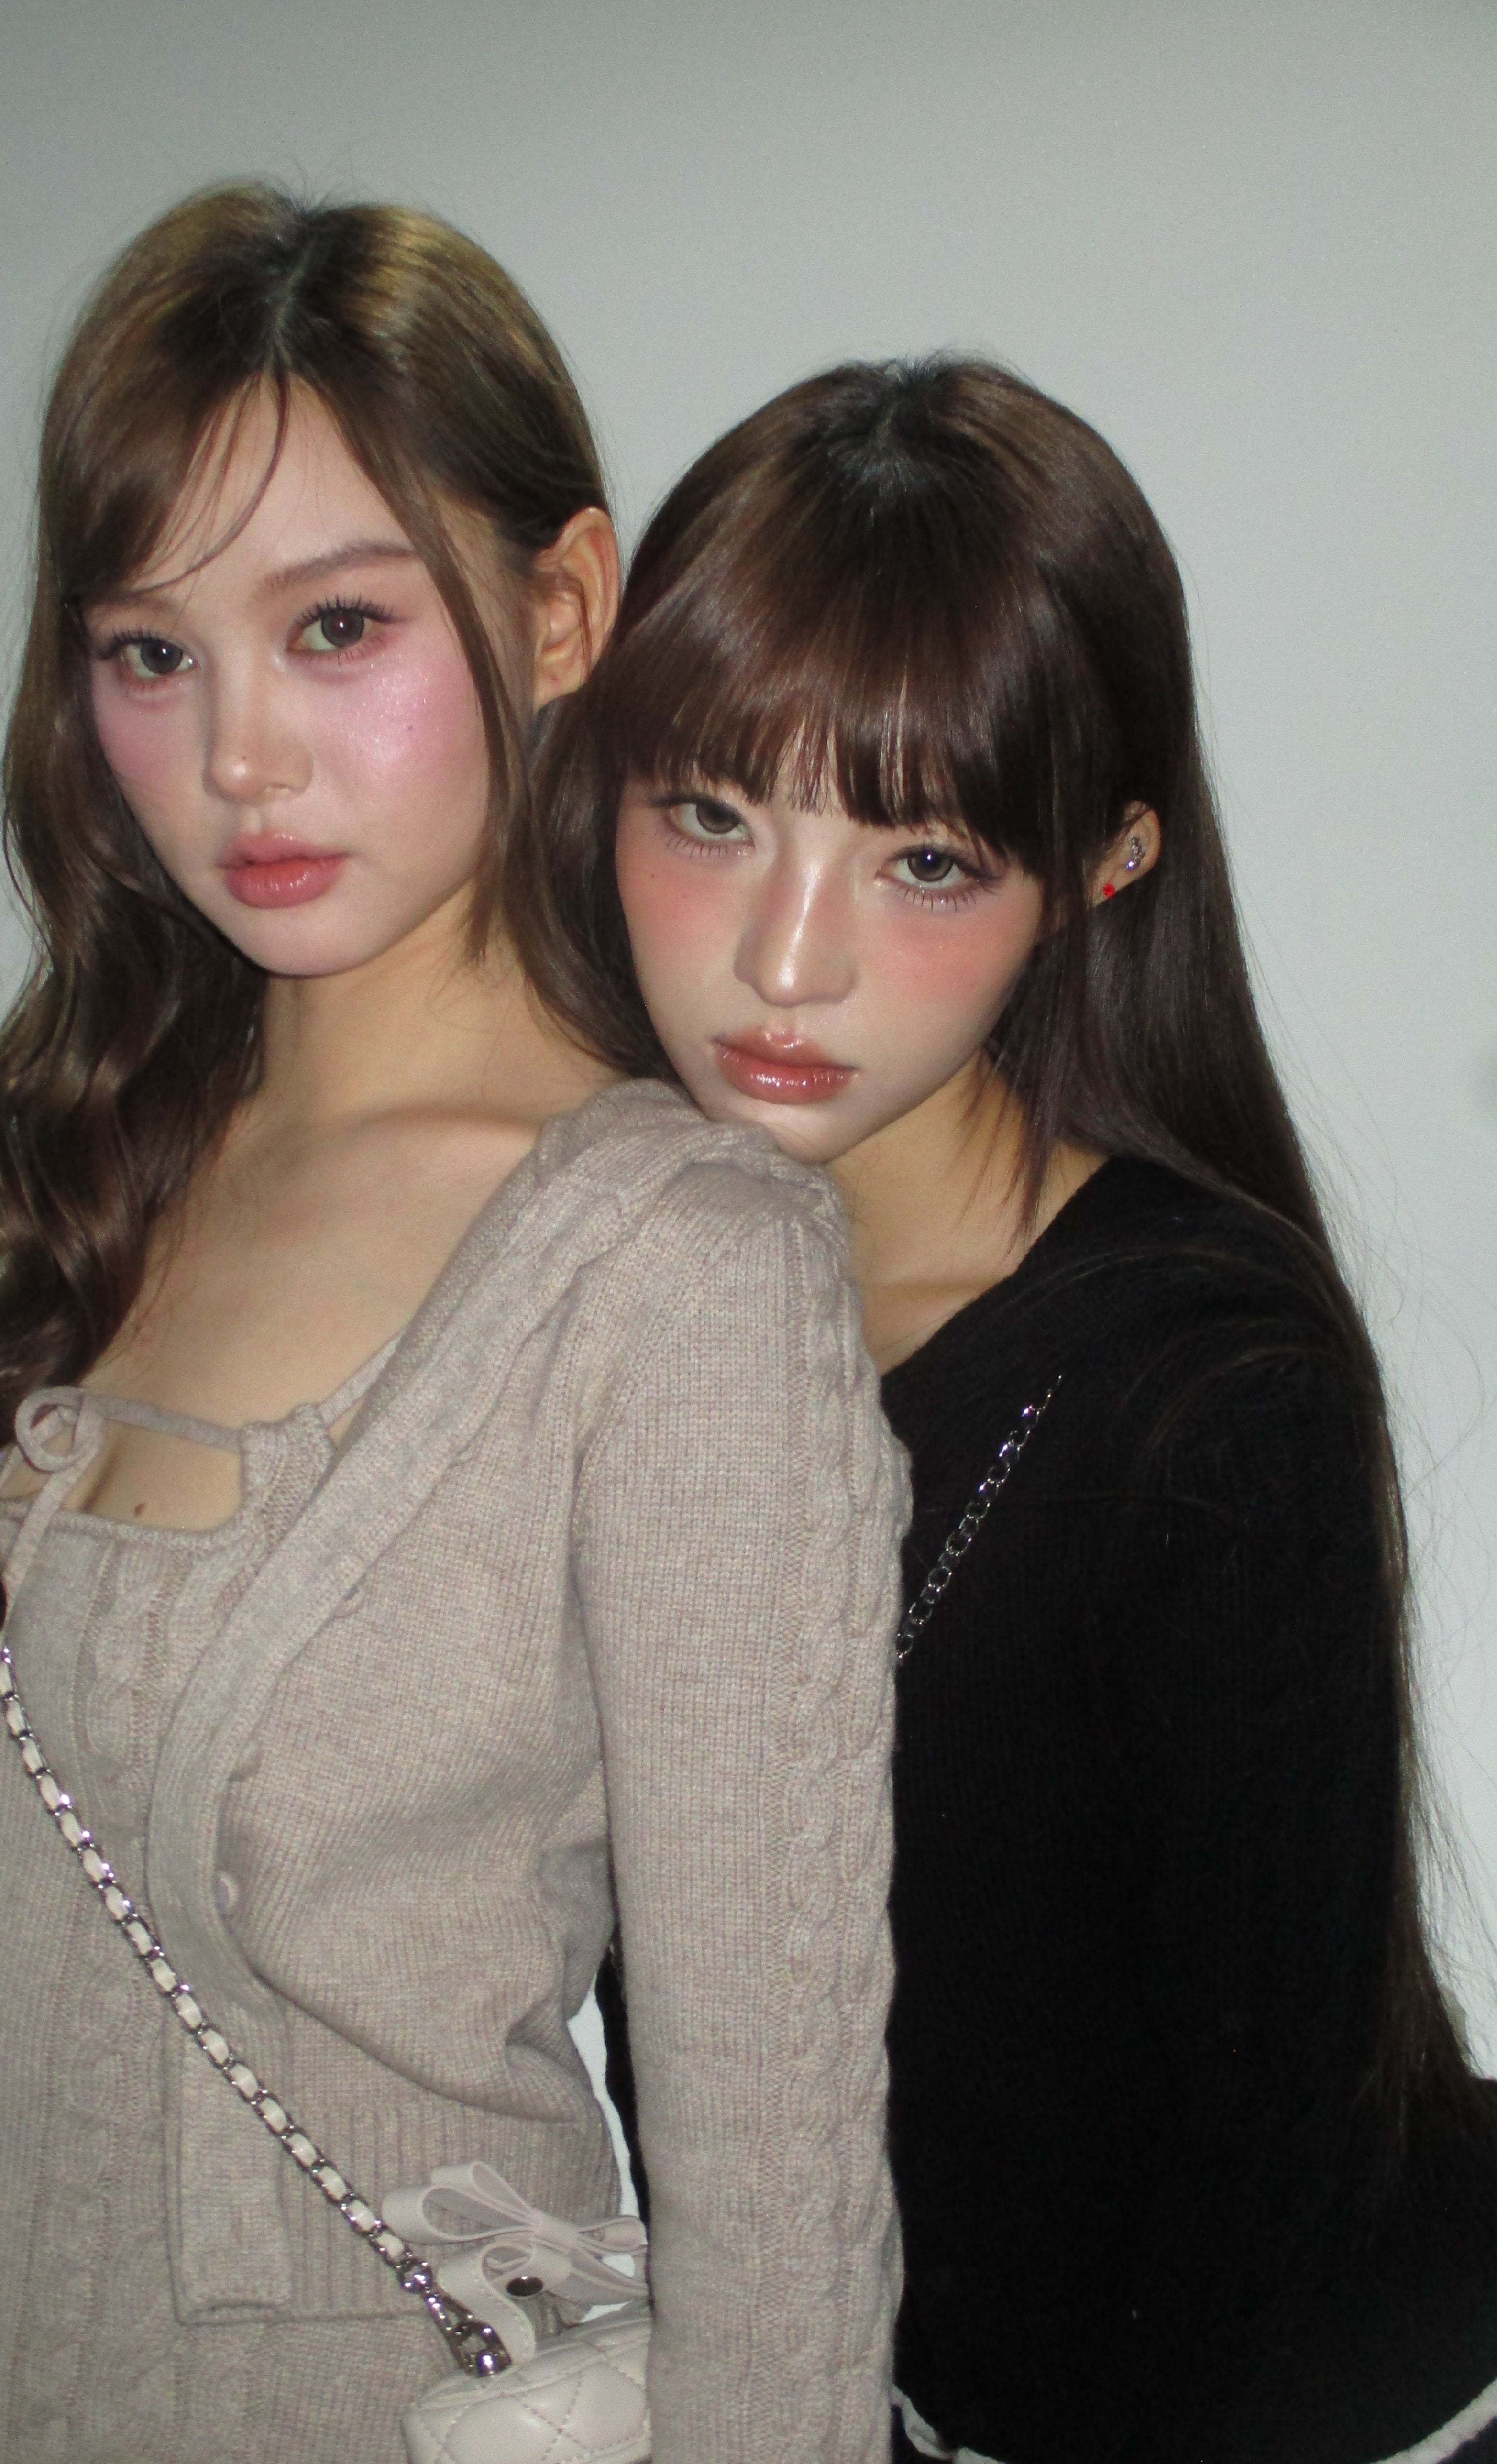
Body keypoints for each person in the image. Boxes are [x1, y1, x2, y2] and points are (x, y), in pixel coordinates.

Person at [0, 187, 908, 2464]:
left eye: (336, 625)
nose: (237, 756)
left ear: (562, 610)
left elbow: (776, 2188)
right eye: (149, 653)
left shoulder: (680, 1273)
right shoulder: (113, 1171)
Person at [520, 356, 1497, 2464]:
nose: (787, 960)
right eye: (713, 816)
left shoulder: (1202, 1387)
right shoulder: (634, 1309)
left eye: (926, 860)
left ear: (1106, 861)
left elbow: (1263, 2178)